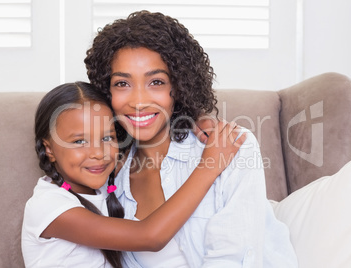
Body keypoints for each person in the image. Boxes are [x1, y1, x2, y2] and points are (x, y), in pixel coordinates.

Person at [84, 10, 298, 268]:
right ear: (106, 92)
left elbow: (236, 259)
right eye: (122, 84)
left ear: (180, 86)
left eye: (156, 82)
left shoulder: (229, 145)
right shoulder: (106, 173)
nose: (138, 102)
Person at [21, 81, 245, 268]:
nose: (98, 153)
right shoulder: (48, 206)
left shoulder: (106, 180)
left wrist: (195, 120)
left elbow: (150, 127)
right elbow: (150, 236)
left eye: (107, 137)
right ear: (49, 148)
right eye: (79, 141)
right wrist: (209, 166)